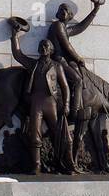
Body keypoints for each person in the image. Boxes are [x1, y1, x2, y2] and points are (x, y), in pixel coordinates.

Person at [10, 32, 73, 175]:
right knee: (35, 134)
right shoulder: (33, 64)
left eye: (46, 46)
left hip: (51, 103)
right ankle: (36, 165)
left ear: (51, 50)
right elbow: (18, 55)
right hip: (36, 102)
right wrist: (14, 36)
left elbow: (65, 87)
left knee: (58, 133)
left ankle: (61, 163)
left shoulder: (57, 66)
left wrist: (67, 104)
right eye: (41, 46)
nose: (43, 48)